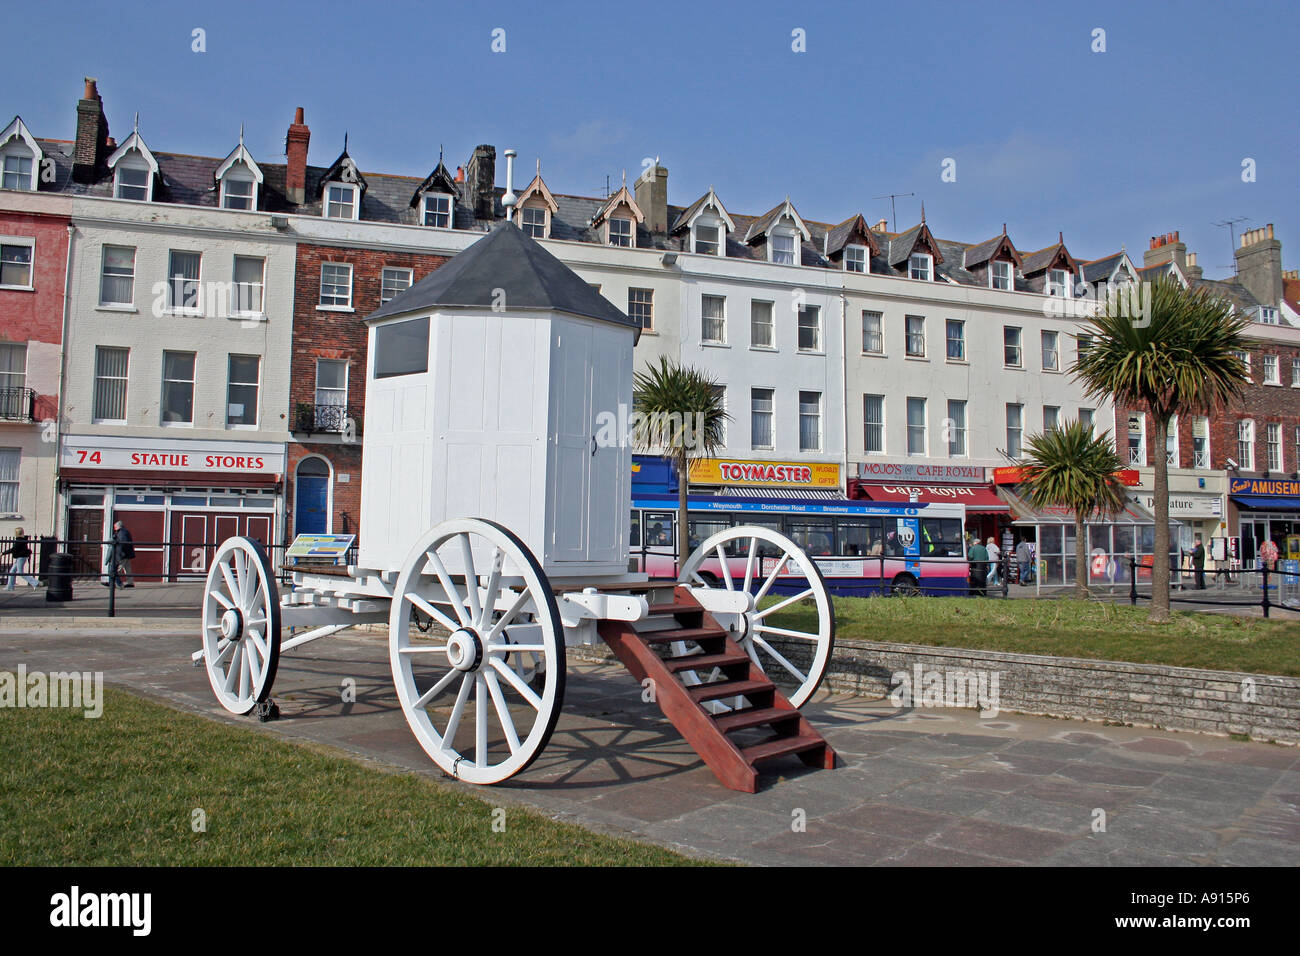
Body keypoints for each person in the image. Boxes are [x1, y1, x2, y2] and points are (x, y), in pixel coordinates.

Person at [104, 519, 135, 589]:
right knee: (127, 569)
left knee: (116, 570)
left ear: (118, 527)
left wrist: (119, 554)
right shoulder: (125, 532)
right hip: (127, 553)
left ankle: (114, 582)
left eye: (115, 527)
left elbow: (122, 544)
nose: (114, 529)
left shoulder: (121, 533)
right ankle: (130, 583)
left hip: (123, 555)